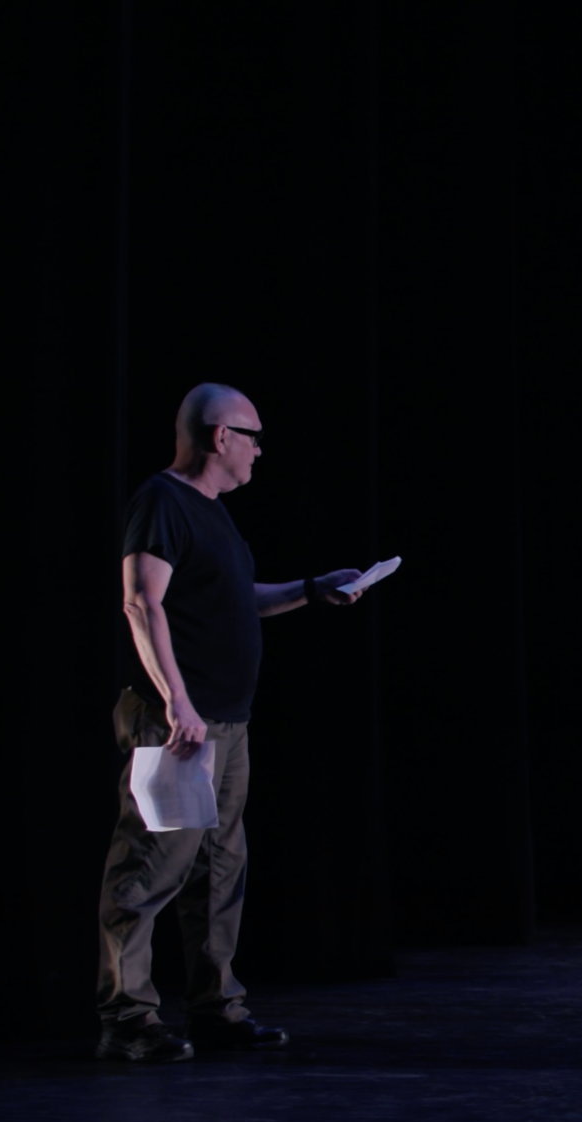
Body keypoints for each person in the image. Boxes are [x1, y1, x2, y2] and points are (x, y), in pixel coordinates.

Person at [95, 383, 369, 1062]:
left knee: (219, 872)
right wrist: (176, 702)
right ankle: (127, 1020)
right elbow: (141, 601)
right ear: (222, 436)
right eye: (254, 437)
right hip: (178, 725)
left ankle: (216, 1009)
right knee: (150, 868)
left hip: (225, 724)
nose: (258, 452)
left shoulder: (211, 513)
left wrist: (312, 590)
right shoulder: (161, 501)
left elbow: (236, 599)